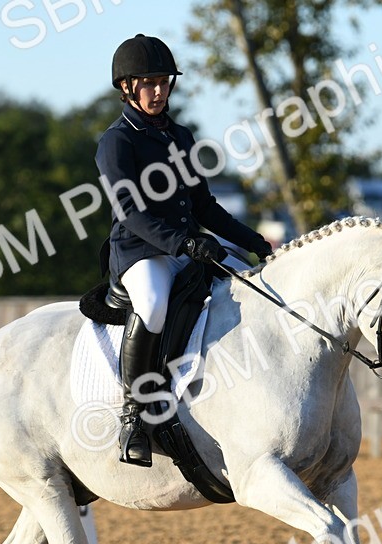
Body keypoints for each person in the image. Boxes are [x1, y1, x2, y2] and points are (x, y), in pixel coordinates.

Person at [97, 34, 273, 467]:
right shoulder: (117, 142)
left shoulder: (181, 135)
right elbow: (130, 211)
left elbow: (203, 206)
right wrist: (185, 243)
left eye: (163, 82)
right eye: (148, 84)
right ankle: (134, 417)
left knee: (251, 287)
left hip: (186, 246)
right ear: (127, 88)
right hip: (140, 252)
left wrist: (253, 243)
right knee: (154, 305)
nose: (158, 92)